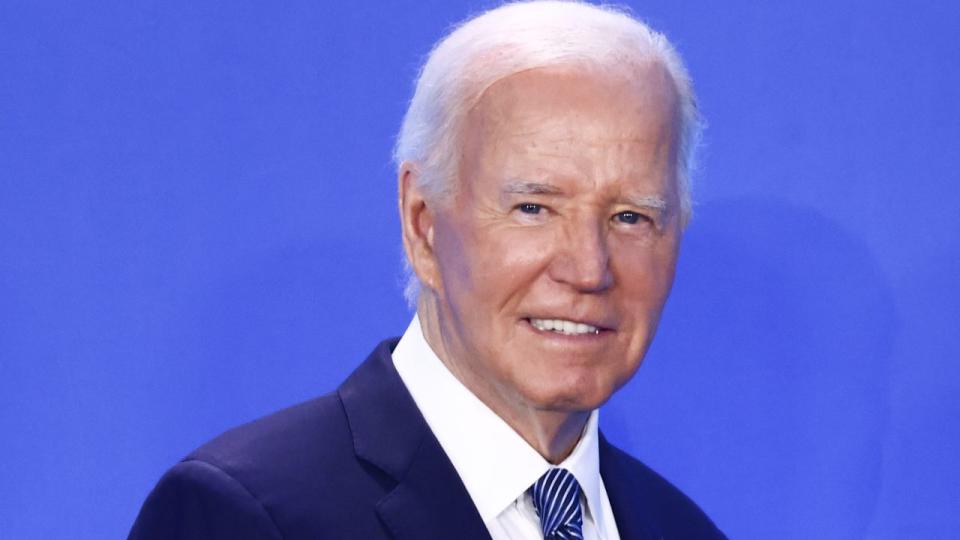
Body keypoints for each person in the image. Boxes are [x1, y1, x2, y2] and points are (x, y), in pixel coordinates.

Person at [129, 1, 726, 538]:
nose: (589, 269)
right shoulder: (244, 516)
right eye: (534, 208)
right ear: (423, 225)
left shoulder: (683, 530)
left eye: (630, 217)